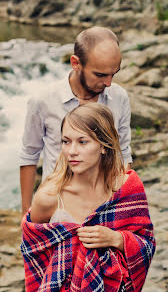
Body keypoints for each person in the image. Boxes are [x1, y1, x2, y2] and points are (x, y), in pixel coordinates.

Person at [21, 103, 155, 292]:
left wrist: (117, 239)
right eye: (66, 141)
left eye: (82, 142)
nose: (71, 151)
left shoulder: (127, 188)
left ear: (103, 145)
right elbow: (34, 256)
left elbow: (147, 243)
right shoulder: (49, 197)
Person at [20, 26, 132, 217]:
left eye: (113, 74)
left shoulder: (119, 97)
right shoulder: (42, 101)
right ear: (75, 63)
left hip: (103, 206)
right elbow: (29, 155)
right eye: (100, 74)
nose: (108, 83)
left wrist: (122, 207)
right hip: (56, 206)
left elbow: (123, 154)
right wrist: (25, 213)